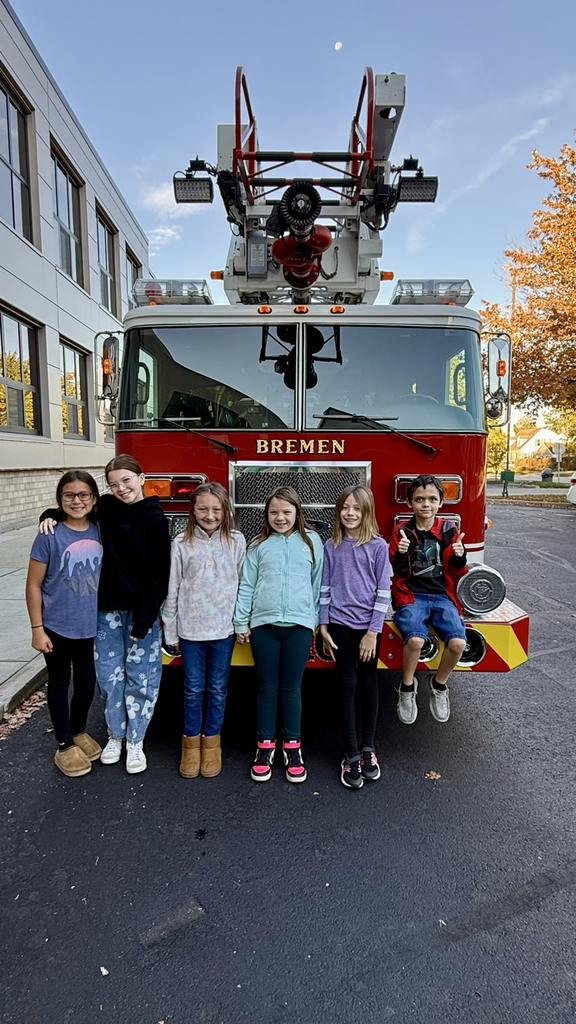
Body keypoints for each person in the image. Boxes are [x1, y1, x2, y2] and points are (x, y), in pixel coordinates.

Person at [39, 454, 171, 774]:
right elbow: (75, 510)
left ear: (142, 478)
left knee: (142, 677)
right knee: (110, 677)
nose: (121, 488)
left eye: (127, 480)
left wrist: (145, 617)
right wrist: (48, 514)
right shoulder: (106, 508)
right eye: (113, 484)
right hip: (105, 612)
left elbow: (159, 573)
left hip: (141, 614)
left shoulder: (155, 518)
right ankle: (116, 735)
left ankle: (136, 740)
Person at [234, 487, 324, 784]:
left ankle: (293, 746)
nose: (280, 518)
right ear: (266, 515)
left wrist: (312, 622)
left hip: (298, 627)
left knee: (292, 688)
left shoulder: (312, 543)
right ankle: (264, 746)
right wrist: (241, 621)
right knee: (266, 688)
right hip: (263, 627)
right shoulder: (258, 545)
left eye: (286, 512)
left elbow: (317, 585)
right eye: (274, 512)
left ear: (298, 512)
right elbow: (247, 585)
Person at [162, 482, 246, 779]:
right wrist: (170, 630)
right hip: (190, 630)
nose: (209, 515)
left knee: (217, 689)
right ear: (192, 510)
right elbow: (172, 588)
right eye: (202, 509)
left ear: (225, 511)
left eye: (216, 509)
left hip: (222, 629)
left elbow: (242, 585)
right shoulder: (181, 544)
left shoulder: (237, 541)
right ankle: (191, 745)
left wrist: (240, 622)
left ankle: (212, 744)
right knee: (192, 689)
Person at [26, 471, 103, 778]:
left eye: (84, 494)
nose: (77, 501)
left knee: (86, 684)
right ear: (59, 500)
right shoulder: (49, 535)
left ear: (94, 498)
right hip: (56, 625)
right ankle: (64, 744)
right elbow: (33, 585)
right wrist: (37, 629)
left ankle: (78, 730)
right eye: (69, 495)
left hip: (89, 625)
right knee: (59, 683)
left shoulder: (100, 529)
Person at [319, 486, 390, 789]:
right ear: (339, 511)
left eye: (357, 509)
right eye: (345, 507)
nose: (350, 513)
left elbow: (383, 592)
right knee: (346, 683)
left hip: (368, 628)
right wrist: (323, 625)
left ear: (367, 513)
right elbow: (324, 588)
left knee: (368, 683)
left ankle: (368, 748)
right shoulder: (330, 546)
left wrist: (373, 632)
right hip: (340, 625)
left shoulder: (378, 547)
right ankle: (350, 753)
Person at [389, 474, 468, 725]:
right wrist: (401, 553)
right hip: (412, 595)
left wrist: (459, 555)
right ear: (410, 503)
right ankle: (407, 687)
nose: (426, 504)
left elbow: (456, 571)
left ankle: (439, 684)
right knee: (414, 639)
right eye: (419, 499)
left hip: (443, 596)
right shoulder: (402, 532)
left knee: (458, 644)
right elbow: (398, 572)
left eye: (432, 499)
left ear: (441, 503)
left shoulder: (449, 530)